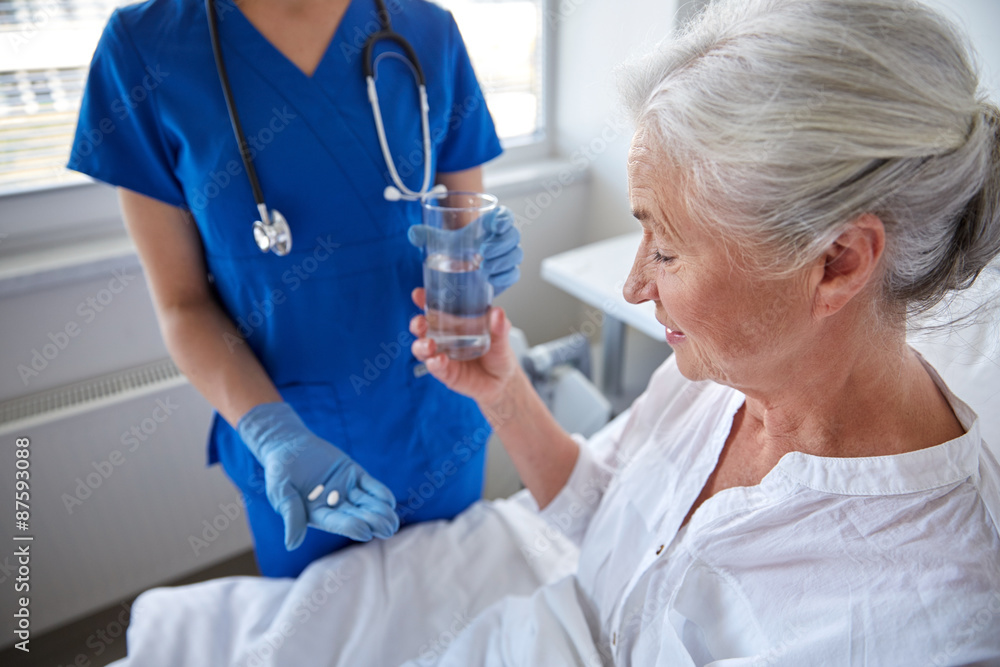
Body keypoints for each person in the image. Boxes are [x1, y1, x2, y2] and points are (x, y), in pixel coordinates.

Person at [404, 0, 1000, 661]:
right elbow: (604, 508)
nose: (634, 286)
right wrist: (502, 388)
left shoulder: (924, 617)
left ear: (838, 261)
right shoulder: (723, 373)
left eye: (666, 248)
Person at [67, 0, 522, 578]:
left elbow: (460, 227)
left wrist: (485, 254)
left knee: (457, 618)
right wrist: (272, 433)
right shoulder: (143, 46)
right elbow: (182, 304)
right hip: (291, 445)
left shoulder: (428, 29)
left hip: (436, 415)